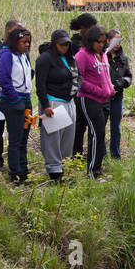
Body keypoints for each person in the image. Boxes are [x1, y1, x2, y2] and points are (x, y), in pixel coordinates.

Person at [35, 28, 80, 182]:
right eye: (62, 45)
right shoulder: (45, 59)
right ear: (54, 44)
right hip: (53, 102)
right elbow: (40, 85)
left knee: (67, 138)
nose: (65, 47)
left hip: (69, 102)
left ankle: (62, 167)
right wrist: (46, 105)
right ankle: (54, 172)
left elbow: (76, 77)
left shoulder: (69, 59)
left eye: (67, 44)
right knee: (52, 139)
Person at [74, 24, 115, 178]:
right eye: (99, 42)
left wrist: (110, 89)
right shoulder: (82, 55)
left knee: (100, 133)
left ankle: (97, 168)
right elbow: (79, 80)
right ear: (91, 41)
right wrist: (97, 90)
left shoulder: (103, 55)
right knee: (96, 132)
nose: (102, 45)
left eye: (104, 42)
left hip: (105, 99)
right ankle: (93, 171)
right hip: (89, 99)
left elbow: (106, 76)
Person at [0, 25, 34, 184]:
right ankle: (15, 173)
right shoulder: (6, 54)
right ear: (15, 41)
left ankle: (24, 170)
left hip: (26, 99)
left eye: (28, 42)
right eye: (23, 42)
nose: (26, 45)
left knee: (24, 137)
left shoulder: (24, 55)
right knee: (16, 138)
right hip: (13, 100)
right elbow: (4, 79)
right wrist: (15, 100)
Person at [0, 19, 22, 170]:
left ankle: (17, 160)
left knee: (15, 129)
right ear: (7, 31)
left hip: (16, 95)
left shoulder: (20, 51)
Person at [68, 12, 98, 157]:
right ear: (83, 28)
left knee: (86, 121)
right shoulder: (74, 45)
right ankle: (76, 153)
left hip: (92, 88)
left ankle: (84, 152)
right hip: (79, 88)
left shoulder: (91, 44)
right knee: (80, 122)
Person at [106, 28, 133, 159]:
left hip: (117, 96)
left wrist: (123, 82)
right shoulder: (102, 56)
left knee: (115, 127)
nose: (117, 44)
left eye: (119, 40)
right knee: (101, 127)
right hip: (103, 97)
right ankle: (102, 154)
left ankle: (115, 154)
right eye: (115, 40)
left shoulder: (123, 58)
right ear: (108, 40)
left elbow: (129, 76)